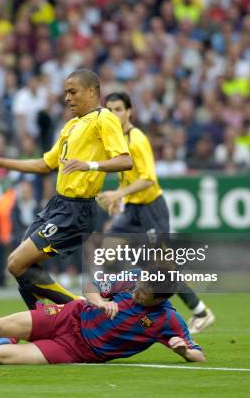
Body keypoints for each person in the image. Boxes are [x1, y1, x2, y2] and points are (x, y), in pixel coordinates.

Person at [0, 69, 133, 309]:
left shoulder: (104, 118)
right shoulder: (71, 126)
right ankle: (43, 322)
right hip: (57, 205)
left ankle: (80, 307)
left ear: (91, 91)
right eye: (66, 92)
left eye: (72, 92)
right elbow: (44, 164)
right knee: (22, 268)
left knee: (15, 263)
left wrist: (89, 165)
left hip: (76, 210)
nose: (66, 98)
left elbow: (125, 160)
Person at [0, 267, 205, 364]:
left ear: (161, 298)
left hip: (78, 350)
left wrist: (182, 350)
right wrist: (96, 300)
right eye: (139, 285)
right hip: (69, 315)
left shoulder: (168, 320)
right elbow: (92, 284)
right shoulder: (131, 278)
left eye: (144, 292)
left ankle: (11, 338)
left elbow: (198, 356)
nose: (137, 290)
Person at [97, 92, 215, 334]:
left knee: (162, 267)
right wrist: (120, 196)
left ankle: (200, 311)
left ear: (129, 112)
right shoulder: (116, 140)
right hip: (132, 210)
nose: (114, 114)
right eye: (109, 110)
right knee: (109, 250)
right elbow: (129, 176)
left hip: (151, 210)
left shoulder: (137, 139)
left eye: (119, 109)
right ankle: (105, 306)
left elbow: (148, 179)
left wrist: (118, 194)